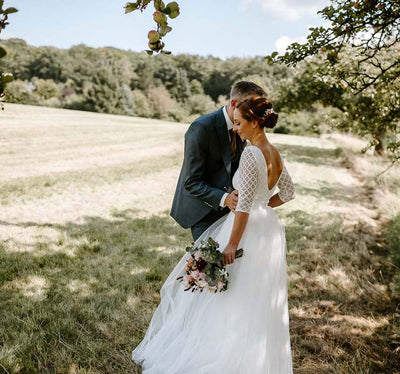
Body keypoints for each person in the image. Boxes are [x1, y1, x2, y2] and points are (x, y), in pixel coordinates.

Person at [132, 97, 296, 373]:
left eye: (240, 123)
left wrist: (232, 242)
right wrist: (264, 205)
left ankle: (221, 354)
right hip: (267, 229)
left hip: (243, 229)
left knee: (225, 294)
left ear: (255, 122)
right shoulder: (274, 152)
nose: (235, 129)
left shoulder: (252, 153)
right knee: (254, 295)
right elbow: (289, 193)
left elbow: (242, 204)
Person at [170, 81, 267, 241]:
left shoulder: (243, 126)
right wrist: (224, 198)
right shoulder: (202, 127)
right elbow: (191, 181)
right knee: (210, 263)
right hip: (203, 210)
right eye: (252, 109)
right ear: (234, 103)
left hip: (229, 210)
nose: (255, 115)